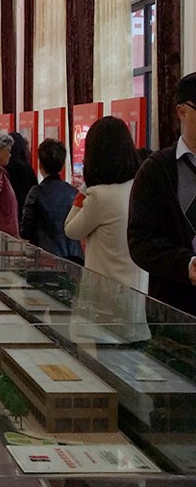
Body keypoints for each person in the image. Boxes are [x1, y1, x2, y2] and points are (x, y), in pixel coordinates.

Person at [65, 116, 148, 342]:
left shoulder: (99, 196)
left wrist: (84, 189)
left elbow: (71, 229)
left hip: (105, 299)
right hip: (137, 294)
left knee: (106, 356)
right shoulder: (139, 188)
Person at [129, 72, 196, 317]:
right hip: (172, 311)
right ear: (181, 111)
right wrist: (186, 264)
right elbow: (140, 241)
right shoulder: (156, 169)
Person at [20, 139, 83, 264]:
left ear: (40, 165)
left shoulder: (36, 193)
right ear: (62, 165)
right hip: (74, 257)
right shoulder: (73, 192)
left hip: (45, 258)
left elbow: (26, 230)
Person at [4, 131, 39, 219]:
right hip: (24, 212)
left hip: (7, 213)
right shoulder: (26, 169)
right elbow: (34, 191)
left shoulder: (4, 168)